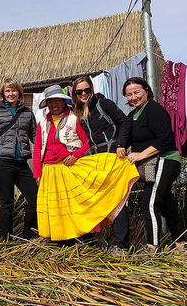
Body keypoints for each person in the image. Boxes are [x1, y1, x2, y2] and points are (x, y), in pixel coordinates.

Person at [33, 85, 138, 242]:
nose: (54, 104)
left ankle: (82, 239)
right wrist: (37, 173)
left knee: (75, 206)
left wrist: (75, 155)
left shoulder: (74, 119)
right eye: (51, 101)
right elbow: (37, 149)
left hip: (69, 168)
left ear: (63, 102)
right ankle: (59, 238)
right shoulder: (43, 123)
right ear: (47, 104)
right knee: (56, 207)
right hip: (49, 170)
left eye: (58, 100)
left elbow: (87, 142)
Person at [123, 77, 186, 253]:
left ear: (146, 91)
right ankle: (182, 244)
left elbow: (165, 140)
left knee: (149, 203)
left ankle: (153, 247)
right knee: (166, 204)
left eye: (137, 92)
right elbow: (126, 136)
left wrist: (141, 154)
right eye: (129, 94)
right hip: (154, 163)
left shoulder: (153, 110)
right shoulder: (134, 115)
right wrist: (121, 147)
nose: (133, 97)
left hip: (165, 159)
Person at [72, 76, 132, 252]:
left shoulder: (102, 103)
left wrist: (121, 144)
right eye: (79, 91)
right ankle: (89, 242)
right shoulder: (79, 111)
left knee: (117, 200)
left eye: (87, 90)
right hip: (94, 160)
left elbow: (124, 121)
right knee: (93, 201)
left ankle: (121, 245)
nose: (84, 94)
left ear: (92, 89)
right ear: (75, 94)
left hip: (112, 156)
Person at [0, 78, 38, 240]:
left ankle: (28, 233)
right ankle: (6, 237)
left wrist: (47, 152)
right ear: (3, 94)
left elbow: (35, 136)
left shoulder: (27, 112)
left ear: (19, 92)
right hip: (2, 161)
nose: (11, 94)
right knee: (7, 201)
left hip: (21, 162)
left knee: (34, 199)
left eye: (13, 90)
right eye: (7, 91)